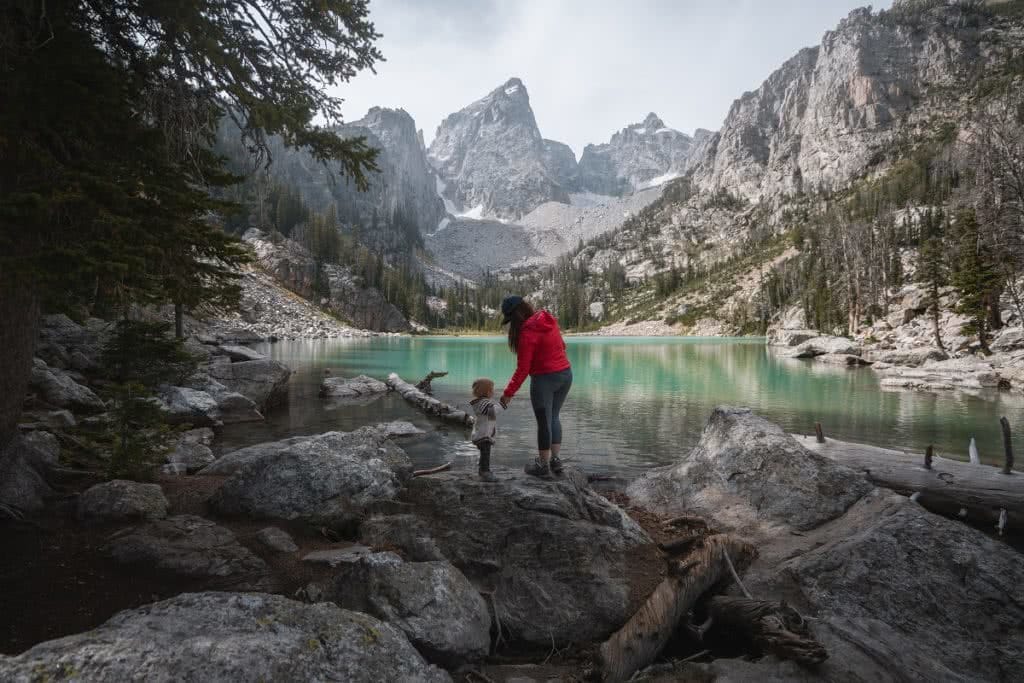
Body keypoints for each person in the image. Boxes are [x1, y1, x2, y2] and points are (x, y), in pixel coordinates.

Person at [499, 295, 572, 477]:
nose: (511, 325)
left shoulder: (527, 332)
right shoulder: (548, 319)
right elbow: (563, 346)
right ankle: (556, 462)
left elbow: (523, 369)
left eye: (510, 320)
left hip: (544, 380)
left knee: (544, 422)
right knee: (554, 417)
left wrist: (508, 393)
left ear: (515, 316)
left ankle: (543, 466)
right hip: (566, 375)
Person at [469, 378, 500, 482]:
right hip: (483, 434)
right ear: (487, 391)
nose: (494, 391)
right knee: (486, 453)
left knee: (484, 453)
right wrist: (503, 403)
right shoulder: (483, 403)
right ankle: (485, 472)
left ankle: (482, 470)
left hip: (483, 433)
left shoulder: (482, 402)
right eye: (492, 389)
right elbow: (493, 411)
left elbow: (491, 417)